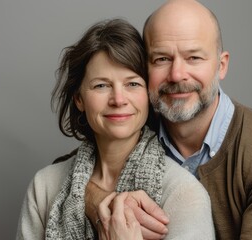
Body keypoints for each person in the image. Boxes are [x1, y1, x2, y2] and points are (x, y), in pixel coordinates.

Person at [85, 0, 252, 239]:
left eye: (193, 57)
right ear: (146, 68)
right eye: (162, 59)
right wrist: (101, 202)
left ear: (221, 65)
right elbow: (71, 171)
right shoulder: (135, 125)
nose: (176, 75)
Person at [16, 18, 215, 240]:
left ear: (148, 95)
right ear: (79, 99)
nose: (118, 99)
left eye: (133, 84)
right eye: (101, 85)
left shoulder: (183, 194)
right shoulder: (45, 186)